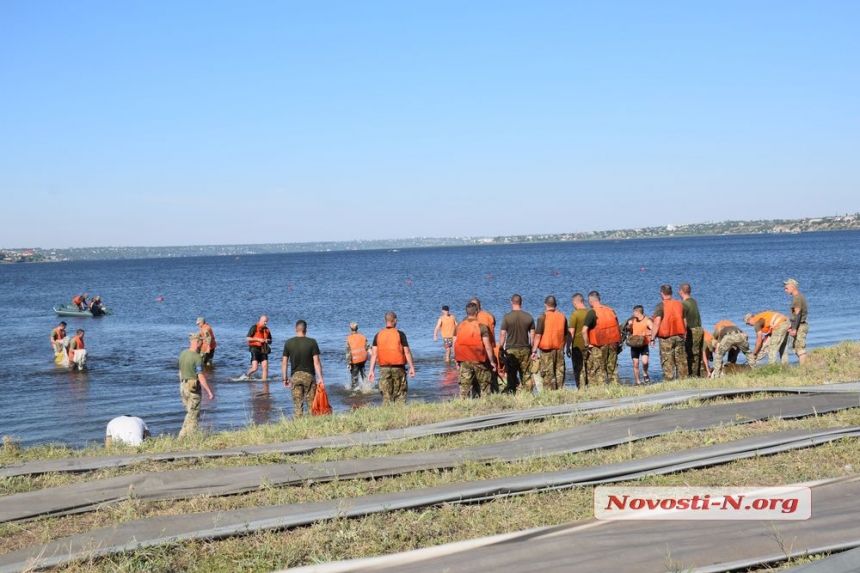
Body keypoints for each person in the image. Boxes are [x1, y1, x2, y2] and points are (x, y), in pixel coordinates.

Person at [368, 311, 416, 404]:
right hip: (398, 368)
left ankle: (387, 412)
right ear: (395, 320)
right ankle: (399, 412)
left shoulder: (378, 335)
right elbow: (407, 352)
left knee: (386, 396)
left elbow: (374, 354)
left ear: (385, 320)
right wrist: (412, 367)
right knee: (400, 394)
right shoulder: (400, 334)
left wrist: (371, 371)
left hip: (384, 368)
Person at [282, 319, 325, 417]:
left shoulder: (288, 343)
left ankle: (299, 425)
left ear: (295, 329)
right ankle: (311, 426)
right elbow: (317, 362)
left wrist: (285, 378)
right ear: (306, 330)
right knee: (311, 405)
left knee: (298, 406)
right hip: (309, 376)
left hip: (295, 376)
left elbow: (284, 362)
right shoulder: (312, 342)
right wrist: (321, 378)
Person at [454, 302, 497, 398]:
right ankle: (485, 404)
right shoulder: (482, 327)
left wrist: (457, 360)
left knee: (464, 387)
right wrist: (492, 361)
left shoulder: (459, 326)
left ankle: (463, 404)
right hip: (479, 361)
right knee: (485, 385)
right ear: (477, 312)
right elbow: (488, 346)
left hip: (464, 360)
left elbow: (455, 344)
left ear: (466, 312)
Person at [178, 333, 214, 438]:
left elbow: (180, 372)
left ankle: (182, 436)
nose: (203, 343)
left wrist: (182, 384)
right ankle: (192, 438)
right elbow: (201, 376)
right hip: (193, 388)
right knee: (194, 414)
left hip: (183, 386)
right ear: (197, 342)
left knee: (190, 412)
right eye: (201, 341)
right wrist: (209, 391)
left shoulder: (183, 353)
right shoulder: (197, 357)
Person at [581, 291, 622, 385]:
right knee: (613, 368)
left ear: (590, 301)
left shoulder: (592, 313)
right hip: (613, 343)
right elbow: (617, 327)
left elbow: (584, 331)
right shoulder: (610, 310)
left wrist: (587, 345)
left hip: (599, 345)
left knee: (599, 369)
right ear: (599, 299)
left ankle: (601, 390)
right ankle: (616, 388)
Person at [530, 295, 569, 390]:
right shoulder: (562, 317)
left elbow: (538, 335)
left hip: (546, 351)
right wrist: (567, 348)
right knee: (559, 373)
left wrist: (534, 350)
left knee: (547, 374)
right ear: (555, 305)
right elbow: (566, 335)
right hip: (559, 349)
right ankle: (561, 391)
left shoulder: (542, 317)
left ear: (545, 305)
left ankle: (549, 393)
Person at [650, 284, 688, 381]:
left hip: (666, 338)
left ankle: (669, 381)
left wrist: (652, 338)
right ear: (671, 293)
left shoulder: (661, 305)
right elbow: (684, 320)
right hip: (680, 336)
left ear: (661, 293)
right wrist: (685, 332)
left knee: (667, 361)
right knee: (681, 360)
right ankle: (683, 381)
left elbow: (657, 322)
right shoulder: (680, 304)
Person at [498, 294, 535, 393]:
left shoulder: (506, 317)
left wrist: (500, 347)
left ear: (511, 303)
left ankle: (512, 393)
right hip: (525, 349)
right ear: (521, 303)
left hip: (511, 350)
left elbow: (502, 334)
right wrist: (533, 349)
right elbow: (532, 334)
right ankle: (528, 395)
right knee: (526, 374)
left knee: (511, 374)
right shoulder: (529, 317)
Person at [679, 283, 704, 377]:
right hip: (699, 328)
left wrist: (683, 332)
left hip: (692, 330)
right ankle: (698, 373)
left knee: (692, 353)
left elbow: (683, 320)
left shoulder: (684, 304)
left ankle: (693, 375)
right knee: (697, 353)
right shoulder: (693, 301)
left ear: (681, 292)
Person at [624, 305, 653, 385]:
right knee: (635, 363)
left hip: (644, 344)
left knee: (645, 362)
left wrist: (652, 339)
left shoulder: (647, 320)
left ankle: (644, 373)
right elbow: (627, 331)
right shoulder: (632, 320)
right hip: (634, 345)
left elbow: (653, 330)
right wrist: (629, 326)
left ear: (638, 312)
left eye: (634, 312)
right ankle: (638, 382)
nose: (633, 314)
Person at [566, 293, 589, 388]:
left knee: (578, 369)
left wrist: (567, 347)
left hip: (577, 346)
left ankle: (581, 388)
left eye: (573, 303)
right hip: (589, 344)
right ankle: (590, 387)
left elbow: (571, 332)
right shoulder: (590, 312)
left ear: (575, 302)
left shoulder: (575, 314)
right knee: (589, 368)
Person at [784, 278, 809, 365]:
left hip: (800, 326)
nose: (785, 290)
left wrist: (794, 329)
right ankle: (803, 367)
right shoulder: (797, 297)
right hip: (798, 325)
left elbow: (798, 314)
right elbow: (795, 314)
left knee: (800, 349)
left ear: (793, 287)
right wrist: (792, 325)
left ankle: (803, 369)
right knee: (796, 348)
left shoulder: (797, 298)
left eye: (786, 288)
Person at [241, 315, 272, 380]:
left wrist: (267, 340)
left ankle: (264, 382)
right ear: (260, 321)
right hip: (254, 349)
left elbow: (270, 340)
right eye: (264, 322)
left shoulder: (267, 330)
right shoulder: (254, 327)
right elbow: (248, 338)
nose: (265, 323)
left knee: (265, 366)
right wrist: (258, 339)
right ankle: (246, 375)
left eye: (266, 322)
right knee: (255, 368)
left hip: (263, 349)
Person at [345, 321, 369, 389]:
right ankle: (367, 387)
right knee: (364, 375)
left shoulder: (349, 339)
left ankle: (355, 390)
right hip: (362, 360)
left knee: (354, 378)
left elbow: (348, 352)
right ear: (357, 328)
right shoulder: (362, 337)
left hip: (354, 361)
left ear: (350, 329)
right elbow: (368, 348)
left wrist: (348, 363)